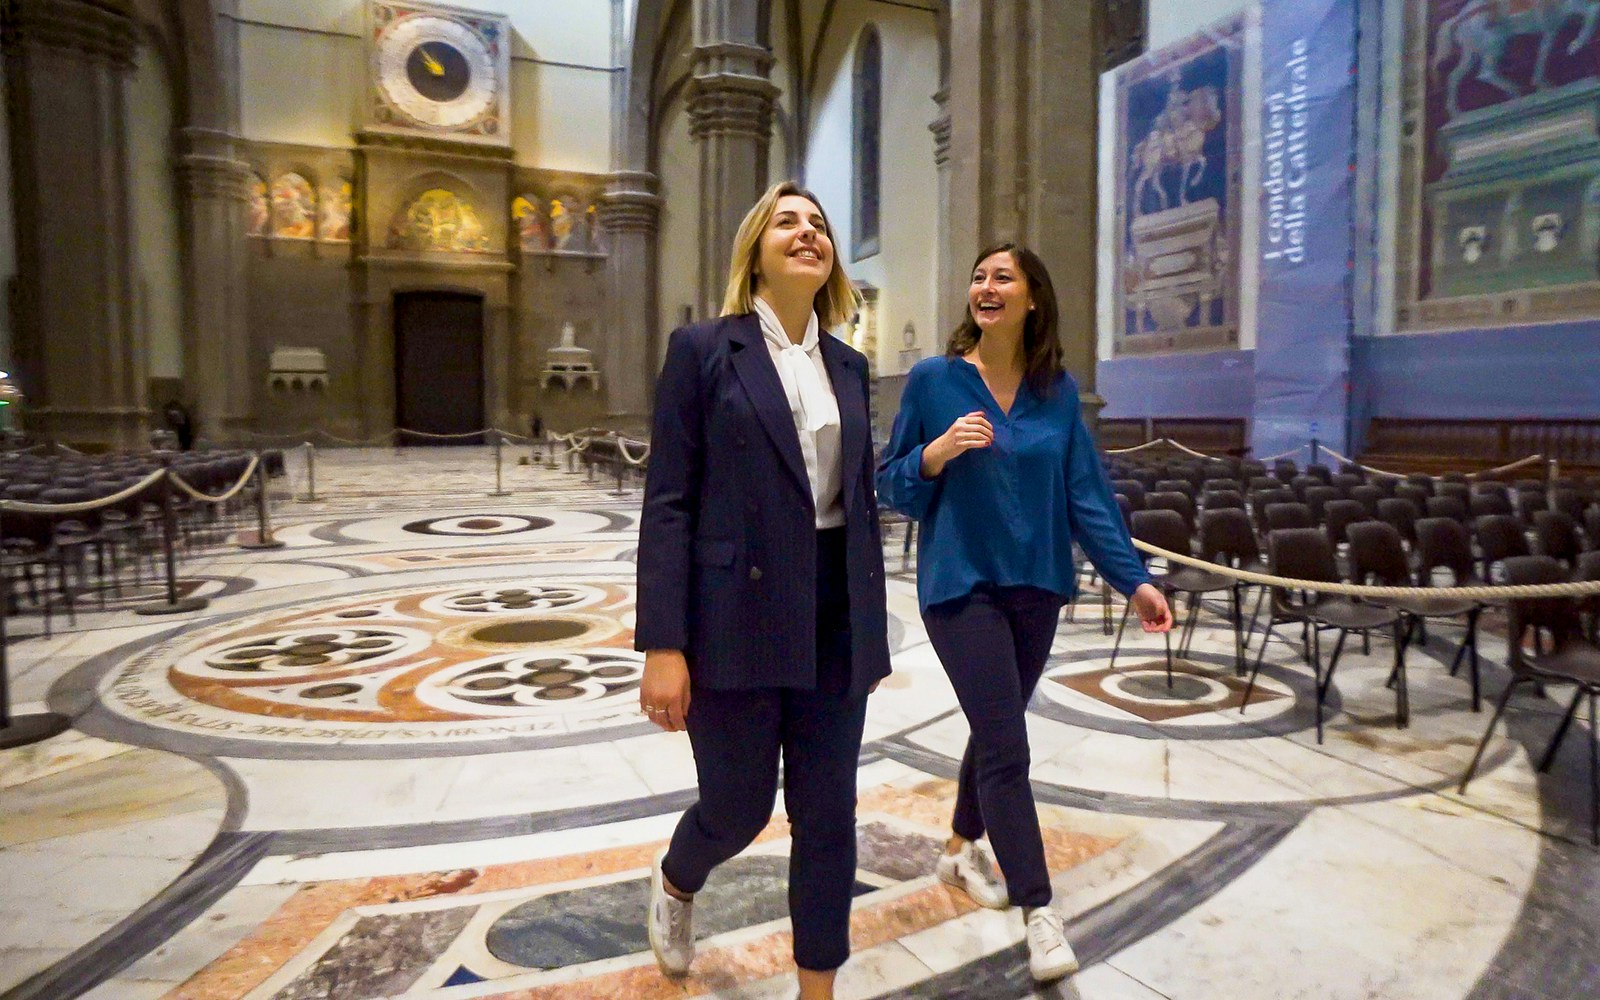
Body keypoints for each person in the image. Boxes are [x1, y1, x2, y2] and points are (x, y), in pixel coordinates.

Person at [876, 242, 1173, 983]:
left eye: (1001, 276)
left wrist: (1131, 580)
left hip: (1036, 585)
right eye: (978, 276)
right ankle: (1040, 911)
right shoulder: (934, 382)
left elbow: (1088, 498)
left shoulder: (1058, 393)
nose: (985, 286)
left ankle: (957, 851)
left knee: (995, 724)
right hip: (960, 586)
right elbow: (890, 484)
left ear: (1032, 297)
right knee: (1009, 745)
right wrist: (935, 453)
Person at [635, 180, 891, 1000]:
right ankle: (678, 878)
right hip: (733, 618)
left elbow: (858, 500)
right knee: (738, 809)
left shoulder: (849, 366)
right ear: (756, 248)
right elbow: (669, 501)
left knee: (827, 819)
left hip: (833, 619)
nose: (807, 231)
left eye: (818, 223)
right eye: (787, 221)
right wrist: (664, 644)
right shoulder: (705, 349)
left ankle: (818, 989)